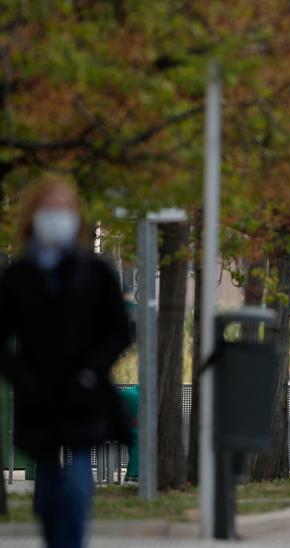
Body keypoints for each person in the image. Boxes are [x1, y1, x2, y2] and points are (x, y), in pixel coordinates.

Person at [0, 175, 132, 548]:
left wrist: (92, 369)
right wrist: (20, 375)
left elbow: (119, 331)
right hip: (38, 398)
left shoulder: (95, 272)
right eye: (48, 209)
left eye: (63, 209)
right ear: (32, 217)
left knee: (74, 487)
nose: (56, 217)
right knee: (47, 497)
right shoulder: (18, 277)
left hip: (82, 396)